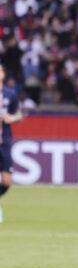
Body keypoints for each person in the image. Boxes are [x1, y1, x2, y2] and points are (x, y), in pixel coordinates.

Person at [0, 63, 25, 223]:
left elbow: (19, 115)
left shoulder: (10, 94)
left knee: (7, 181)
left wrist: (12, 118)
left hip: (4, 142)